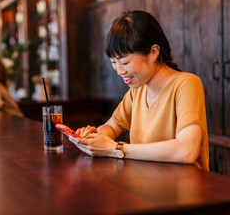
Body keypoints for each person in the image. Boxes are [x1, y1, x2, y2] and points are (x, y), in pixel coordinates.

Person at [69, 10, 209, 171]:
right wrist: (95, 138)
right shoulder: (137, 90)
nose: (119, 70)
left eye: (126, 62)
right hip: (143, 186)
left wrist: (116, 149)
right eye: (114, 62)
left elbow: (186, 150)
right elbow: (112, 127)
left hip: (184, 190)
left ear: (154, 52)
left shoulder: (186, 83)